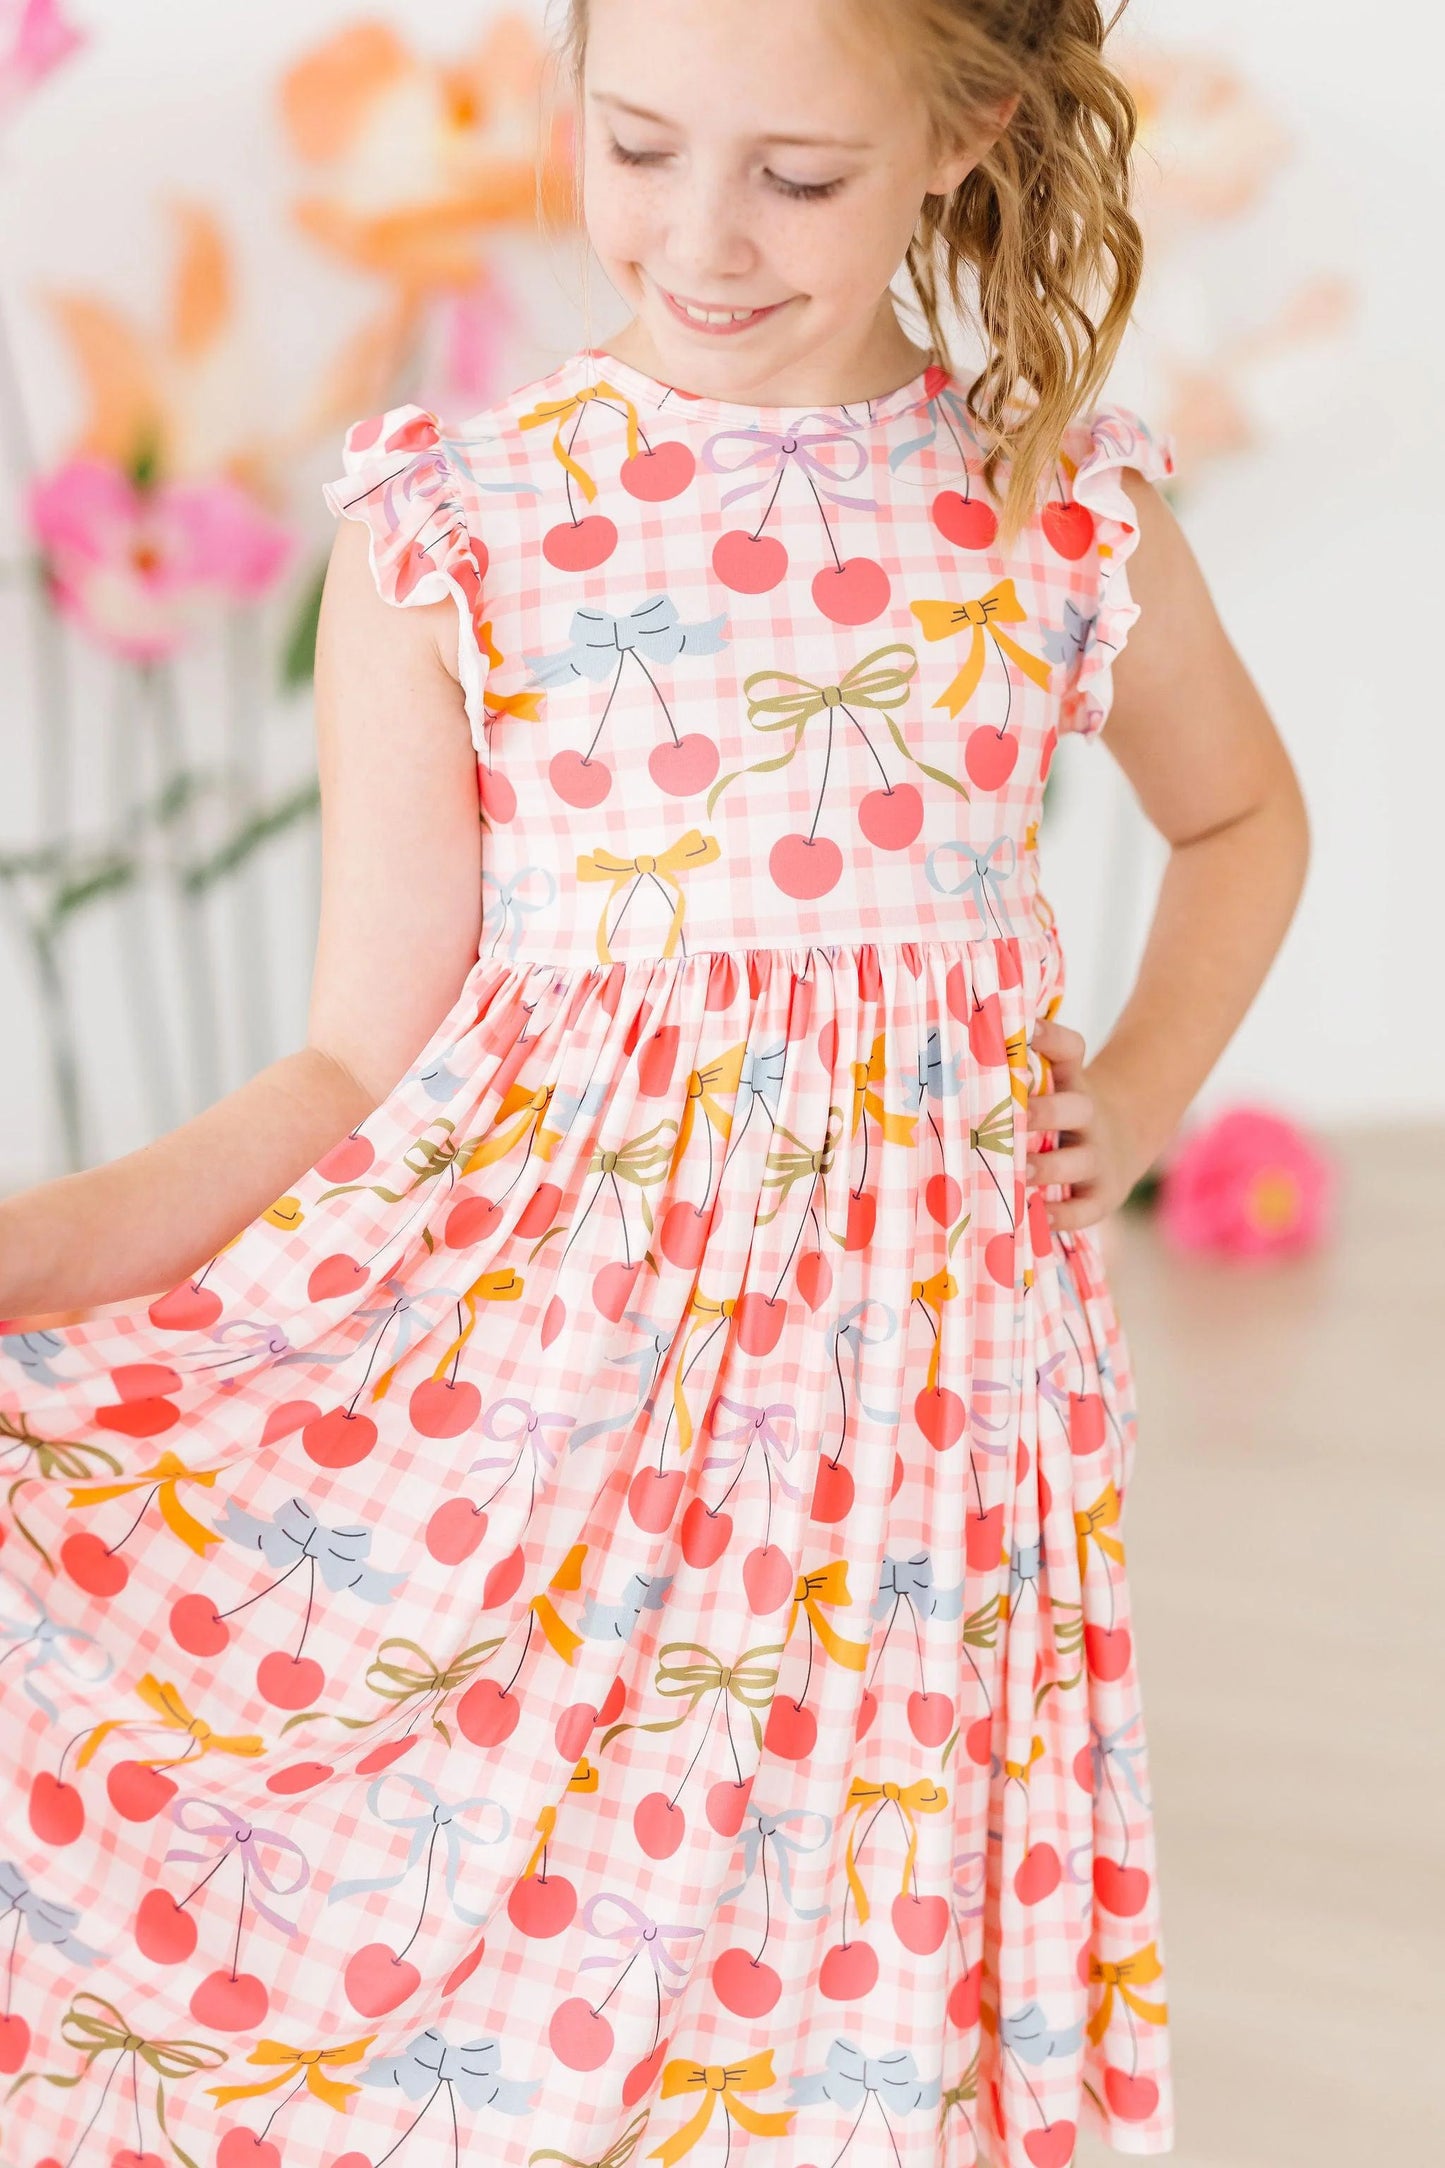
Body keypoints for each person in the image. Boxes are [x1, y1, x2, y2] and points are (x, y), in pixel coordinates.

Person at [0, 1, 1310, 2163]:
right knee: (552, 1973)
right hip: (559, 1418)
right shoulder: (465, 524)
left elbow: (1243, 816)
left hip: (923, 1419)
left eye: (796, 176)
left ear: (965, 134)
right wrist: (42, 1250)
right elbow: (350, 1063)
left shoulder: (1054, 504)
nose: (700, 236)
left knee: (855, 1965)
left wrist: (1147, 1087)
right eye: (633, 149)